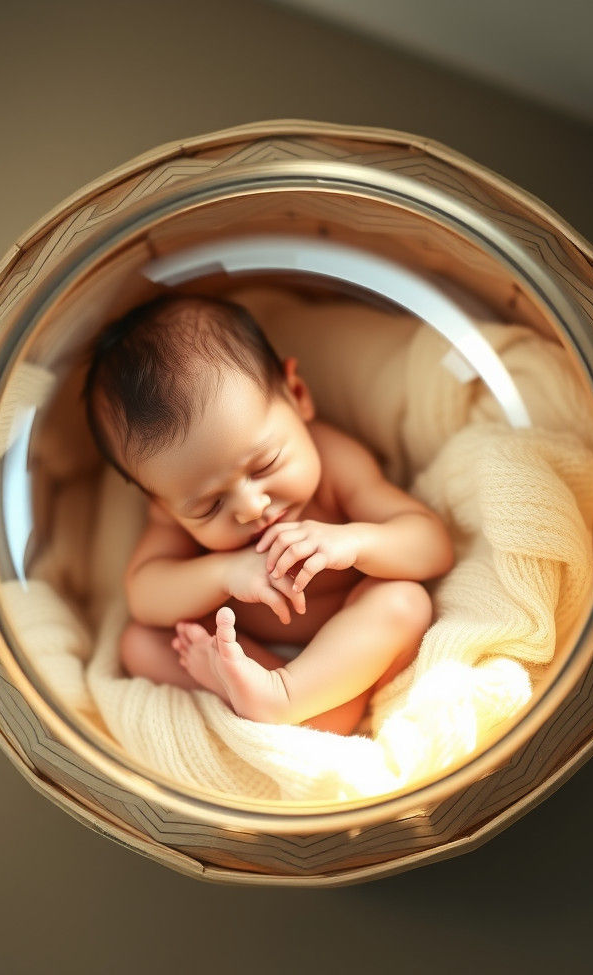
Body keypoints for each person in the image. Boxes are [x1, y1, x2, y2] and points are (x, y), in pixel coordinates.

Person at [84, 293, 454, 736]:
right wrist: (225, 572)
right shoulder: (172, 516)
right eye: (209, 505)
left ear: (297, 396)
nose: (252, 507)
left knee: (403, 601)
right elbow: (145, 594)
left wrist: (354, 542)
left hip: (344, 646)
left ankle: (290, 695)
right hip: (246, 649)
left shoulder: (335, 463)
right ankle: (290, 702)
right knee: (139, 641)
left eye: (264, 466)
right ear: (161, 503)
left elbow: (432, 545)